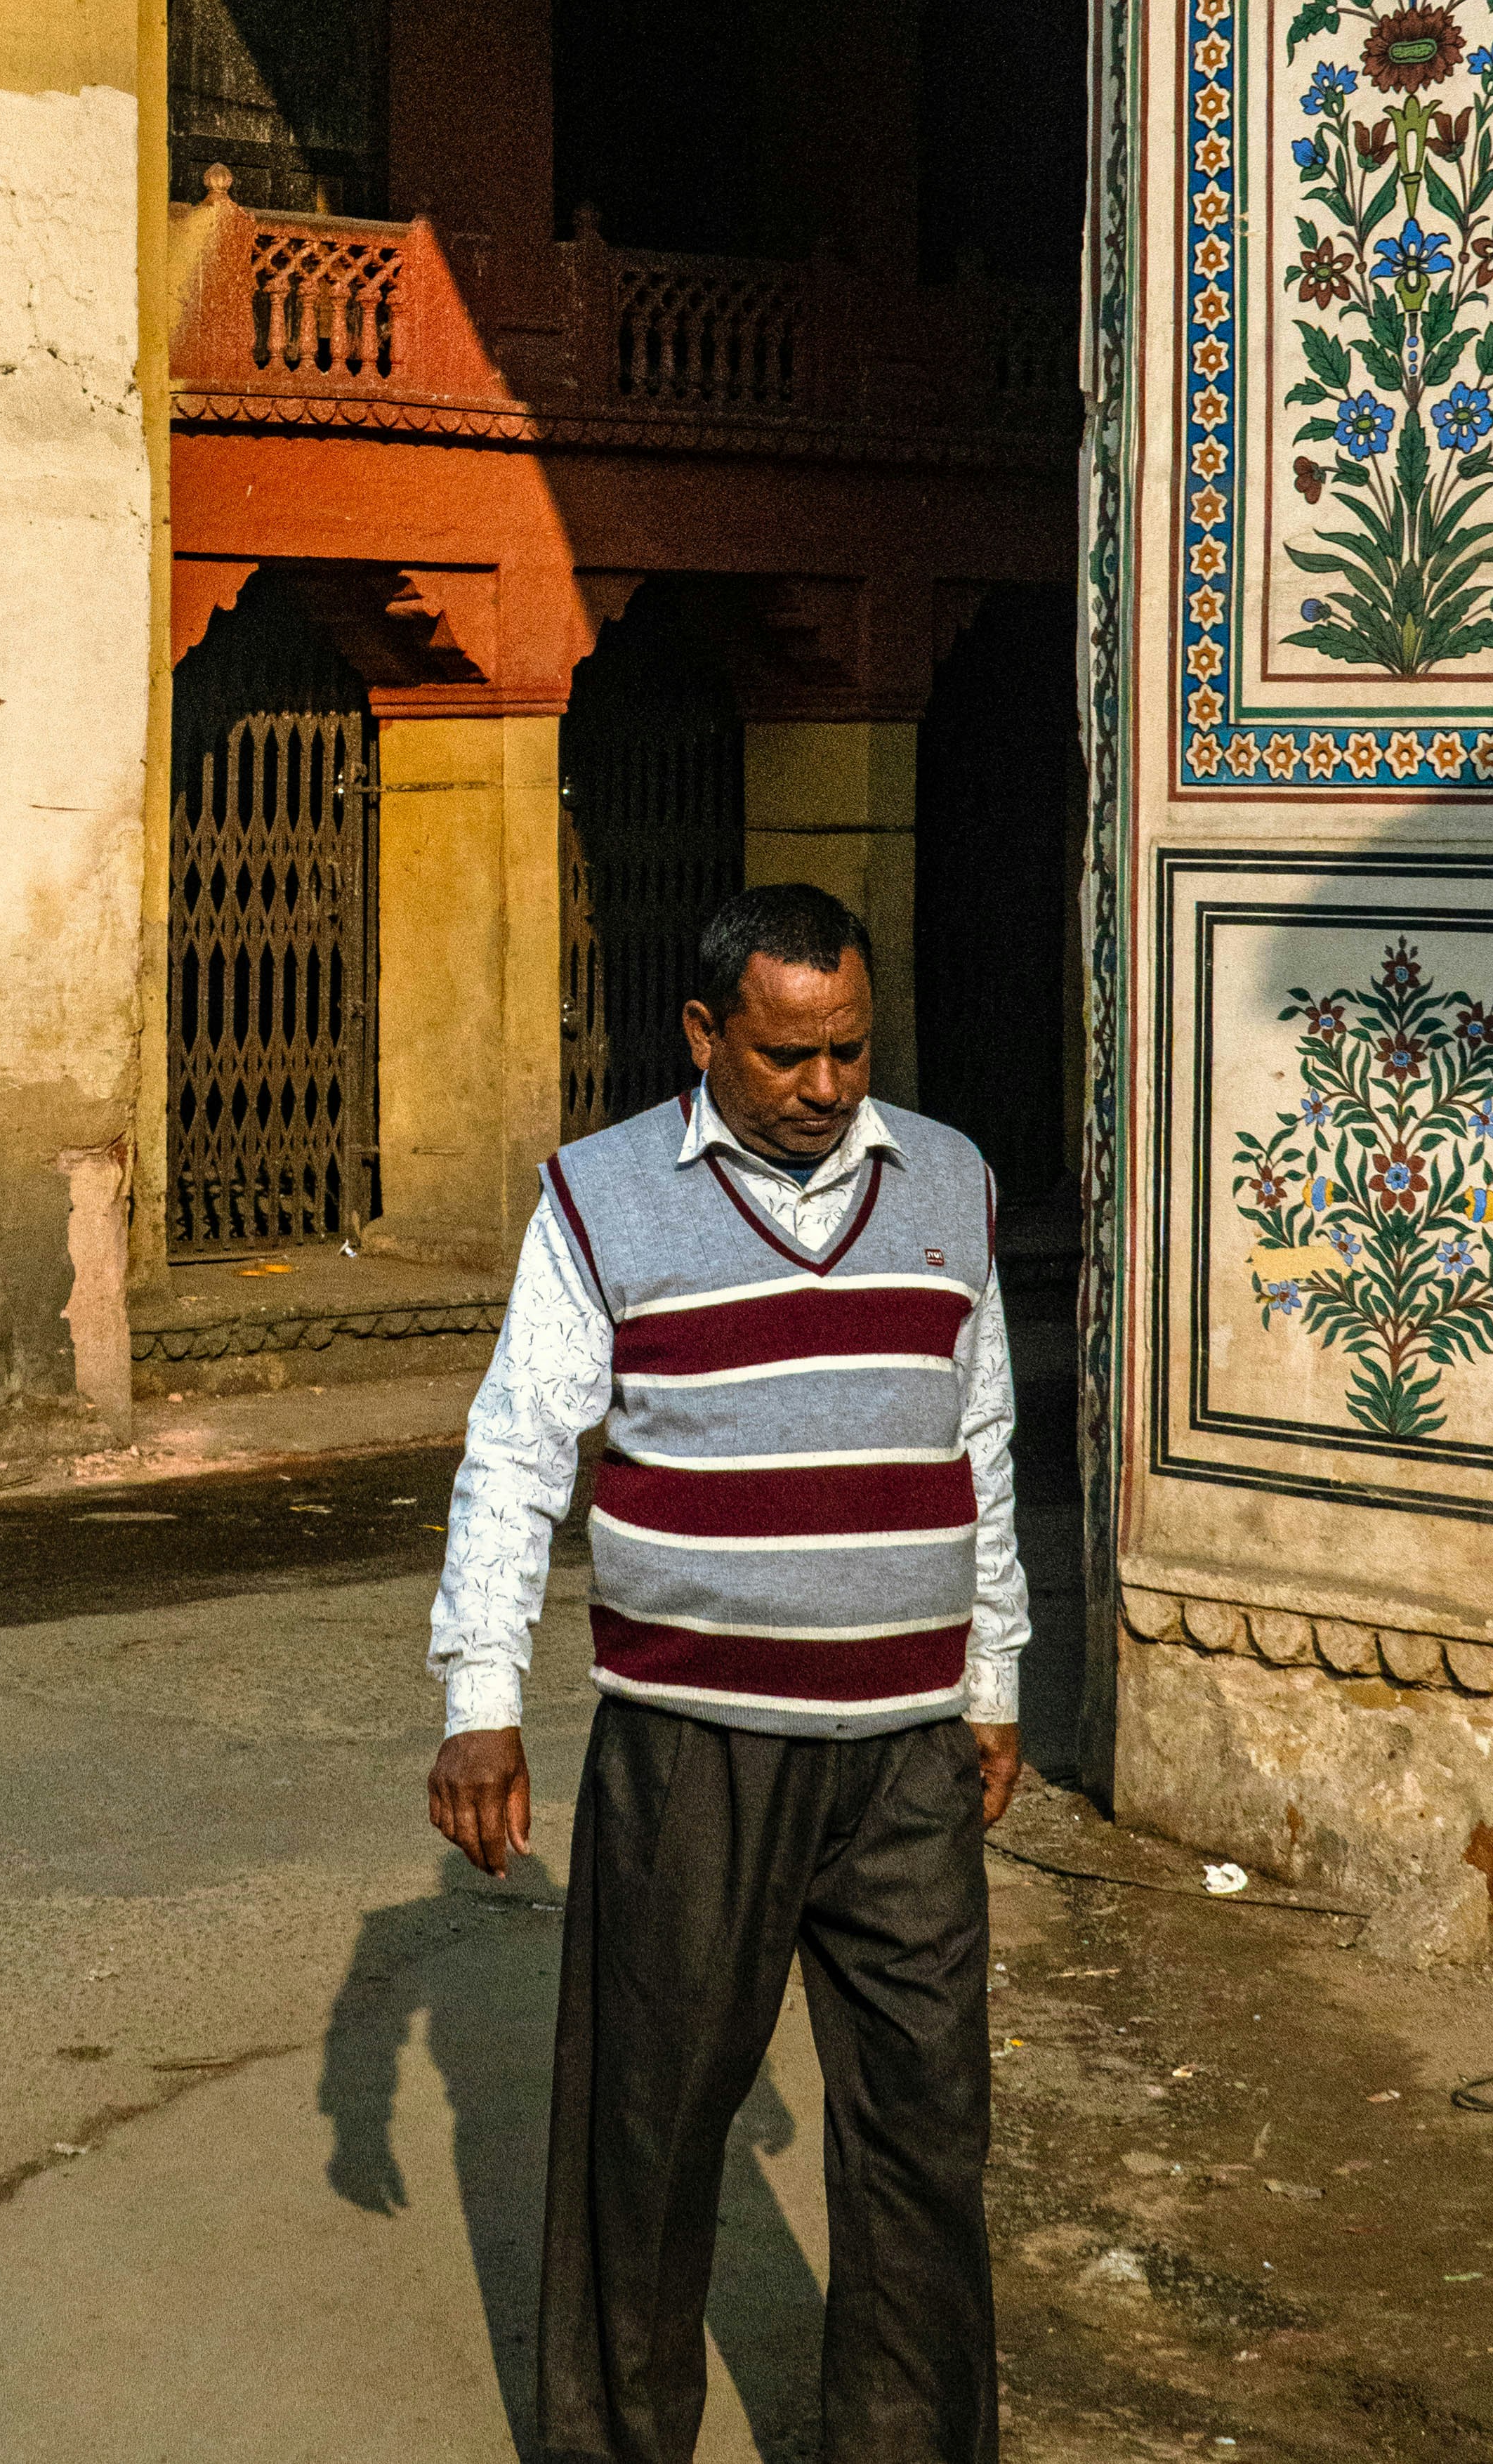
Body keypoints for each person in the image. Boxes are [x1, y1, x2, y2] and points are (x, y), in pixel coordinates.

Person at [425, 879, 1025, 2464]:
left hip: (906, 1754)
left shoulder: (948, 1177)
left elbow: (982, 1438)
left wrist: (995, 1675)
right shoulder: (602, 1197)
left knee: (923, 2131)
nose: (826, 1088)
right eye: (786, 1056)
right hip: (697, 1747)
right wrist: (481, 1698)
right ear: (705, 1035)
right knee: (653, 2130)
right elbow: (516, 1452)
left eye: (849, 1049)